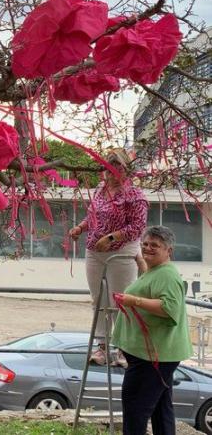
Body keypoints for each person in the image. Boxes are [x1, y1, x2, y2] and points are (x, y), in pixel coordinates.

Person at [69, 148, 148, 366]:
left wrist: (112, 238)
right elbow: (92, 217)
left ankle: (123, 349)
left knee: (121, 301)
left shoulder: (135, 195)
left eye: (116, 168)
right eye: (108, 168)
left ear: (125, 169)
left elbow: (138, 227)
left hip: (122, 252)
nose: (111, 173)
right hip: (95, 251)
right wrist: (80, 227)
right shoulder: (100, 191)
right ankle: (102, 347)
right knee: (99, 300)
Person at [112, 226, 193, 435]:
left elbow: (169, 308)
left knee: (136, 408)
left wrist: (134, 300)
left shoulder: (166, 275)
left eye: (154, 245)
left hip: (152, 357)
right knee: (160, 408)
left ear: (169, 251)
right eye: (145, 244)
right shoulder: (155, 271)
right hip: (155, 355)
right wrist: (140, 262)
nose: (148, 248)